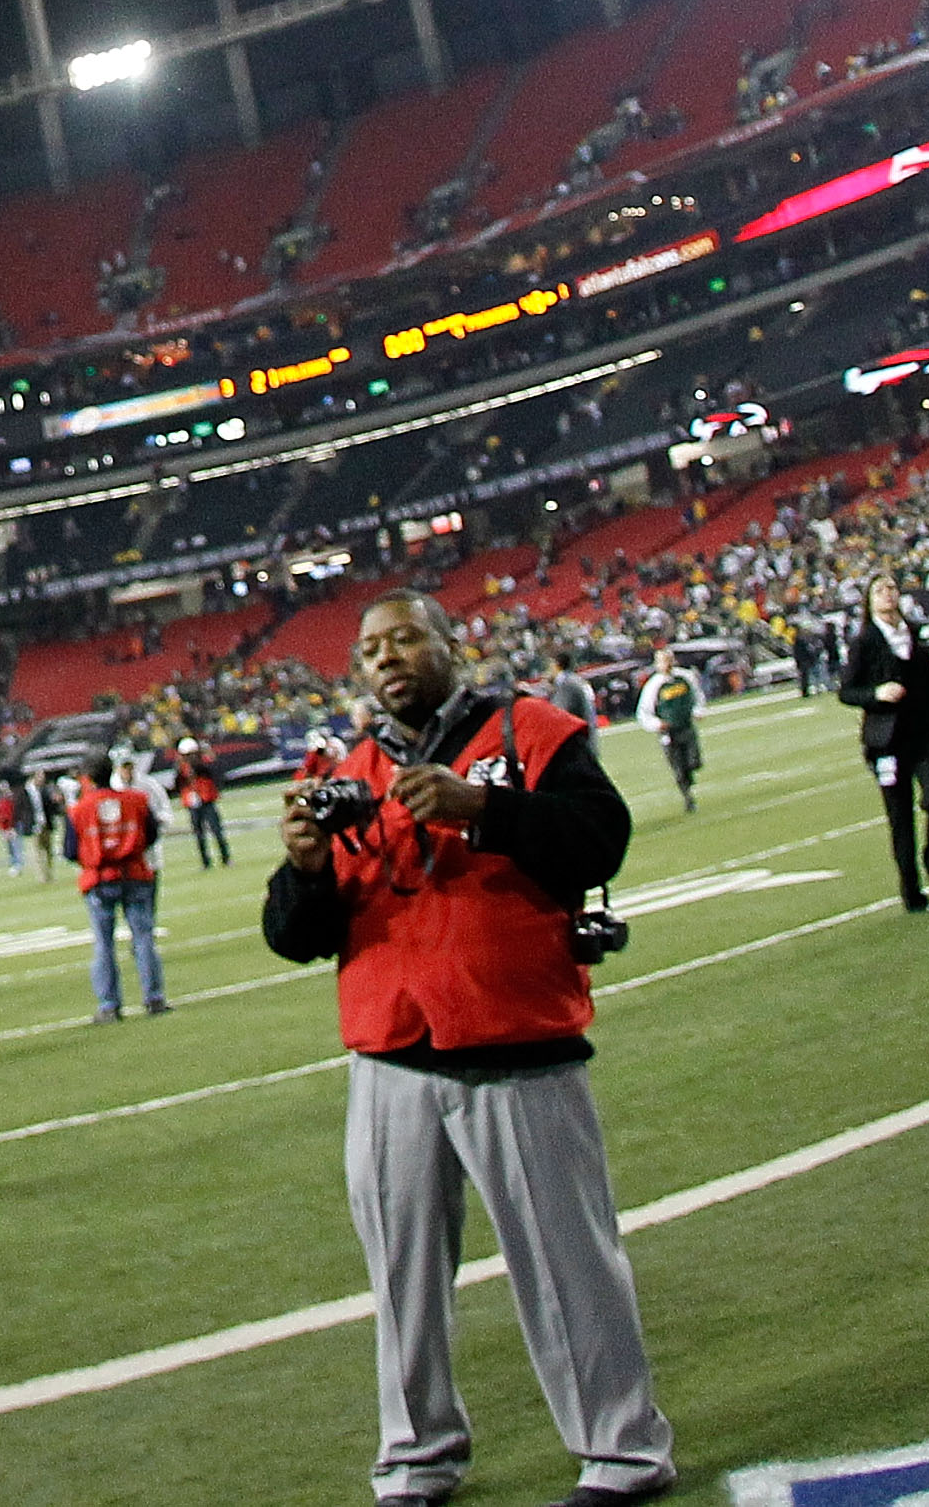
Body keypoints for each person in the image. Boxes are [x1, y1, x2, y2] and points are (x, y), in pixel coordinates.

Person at [265, 590, 674, 1507]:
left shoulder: (530, 729)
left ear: (449, 645)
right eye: (369, 648)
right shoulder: (350, 768)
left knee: (567, 1262)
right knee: (401, 1280)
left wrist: (482, 806)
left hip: (513, 1042)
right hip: (388, 1057)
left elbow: (598, 840)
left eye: (404, 636)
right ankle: (415, 1458)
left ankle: (622, 1451)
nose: (385, 657)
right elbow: (297, 935)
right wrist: (299, 867)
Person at [841, 576, 929, 912]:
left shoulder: (911, 633)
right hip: (887, 740)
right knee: (900, 817)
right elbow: (847, 691)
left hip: (924, 732)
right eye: (879, 590)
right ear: (869, 601)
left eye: (892, 589)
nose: (888, 595)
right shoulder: (865, 641)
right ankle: (911, 891)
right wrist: (876, 693)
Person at [71, 755, 168, 1023]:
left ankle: (109, 1005)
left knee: (103, 943)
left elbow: (70, 849)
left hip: (100, 879)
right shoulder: (136, 800)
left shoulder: (80, 809)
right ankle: (154, 997)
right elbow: (152, 834)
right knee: (143, 938)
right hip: (135, 874)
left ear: (88, 778)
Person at [637, 650, 703, 818]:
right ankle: (688, 797)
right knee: (678, 768)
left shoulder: (684, 677)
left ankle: (688, 779)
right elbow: (644, 712)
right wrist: (657, 724)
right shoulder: (654, 685)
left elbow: (697, 696)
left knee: (694, 761)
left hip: (686, 727)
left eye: (669, 660)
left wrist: (697, 711)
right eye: (663, 661)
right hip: (669, 733)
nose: (667, 664)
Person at [174, 739, 232, 865]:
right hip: (193, 803)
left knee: (217, 830)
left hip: (207, 800)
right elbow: (178, 784)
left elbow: (213, 772)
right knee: (199, 835)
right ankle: (205, 862)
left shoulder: (204, 763)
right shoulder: (181, 767)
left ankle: (225, 857)